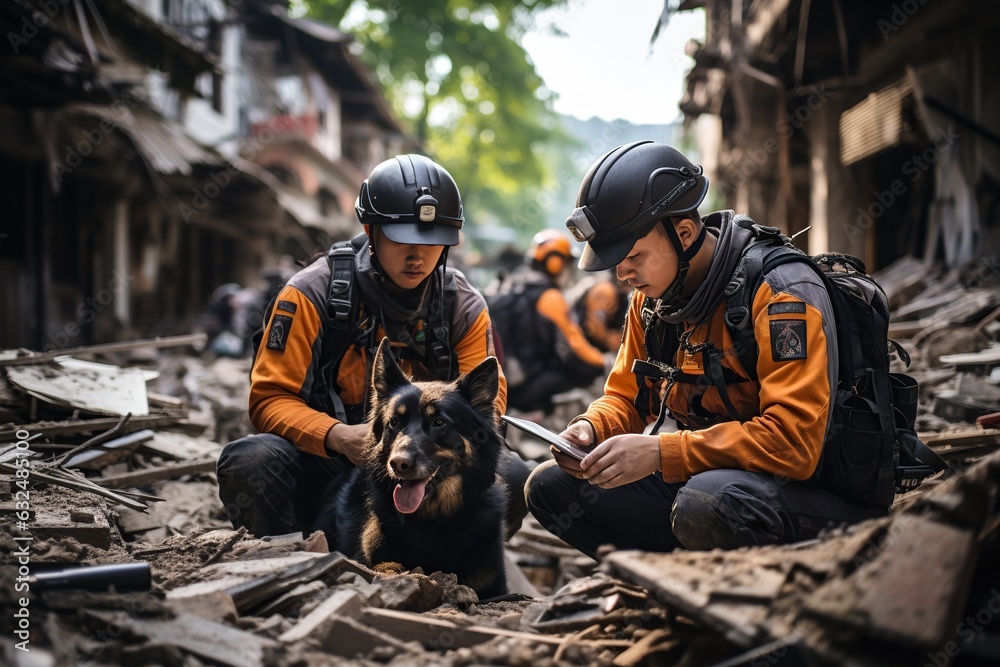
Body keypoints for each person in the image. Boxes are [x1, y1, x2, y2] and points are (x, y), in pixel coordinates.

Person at [525, 141, 887, 558]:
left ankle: (738, 591)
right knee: (551, 486)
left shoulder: (781, 295)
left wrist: (662, 452)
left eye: (633, 255)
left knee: (707, 502)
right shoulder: (653, 301)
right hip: (717, 484)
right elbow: (626, 397)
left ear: (683, 233)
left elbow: (794, 444)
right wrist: (591, 429)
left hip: (813, 499)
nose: (622, 273)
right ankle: (672, 580)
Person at [217, 154, 530, 540]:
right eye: (403, 240)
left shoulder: (463, 306)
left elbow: (488, 407)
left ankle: (443, 568)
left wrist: (436, 446)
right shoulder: (310, 293)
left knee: (513, 476)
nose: (417, 256)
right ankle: (289, 560)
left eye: (432, 242)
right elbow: (268, 400)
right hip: (327, 459)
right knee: (251, 460)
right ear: (371, 229)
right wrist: (336, 436)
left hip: (422, 463)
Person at [489, 229, 607, 415]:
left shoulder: (515, 286)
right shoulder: (550, 296)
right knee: (582, 373)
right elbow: (575, 349)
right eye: (567, 262)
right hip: (529, 389)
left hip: (505, 388)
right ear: (555, 262)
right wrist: (606, 363)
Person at [571, 270, 632, 353]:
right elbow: (594, 325)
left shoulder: (628, 296)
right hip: (583, 348)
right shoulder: (605, 290)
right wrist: (608, 338)